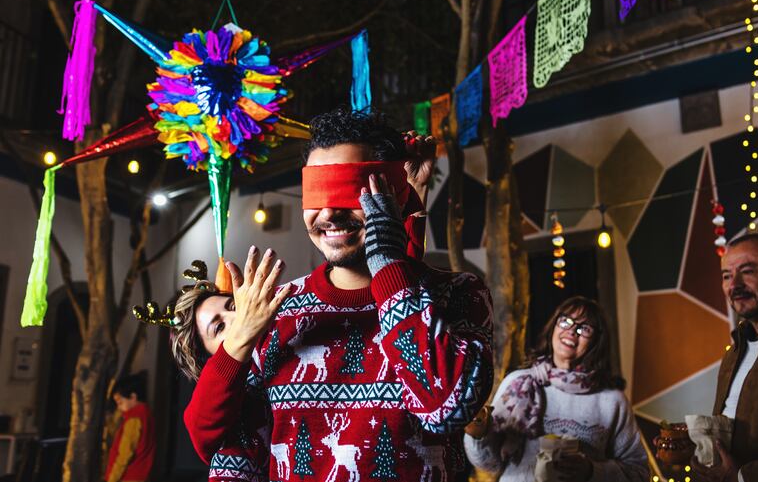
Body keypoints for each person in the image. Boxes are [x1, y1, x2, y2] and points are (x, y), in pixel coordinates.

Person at [171, 107, 494, 482]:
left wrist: (388, 257)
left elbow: (446, 407)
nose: (328, 212)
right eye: (316, 193)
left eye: (349, 191)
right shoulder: (275, 313)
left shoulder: (460, 295)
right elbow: (232, 456)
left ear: (393, 196)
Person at [464, 296, 648, 482]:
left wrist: (591, 471)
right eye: (565, 321)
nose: (571, 331)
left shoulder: (612, 400)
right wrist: (478, 434)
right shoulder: (518, 383)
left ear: (597, 340)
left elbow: (638, 473)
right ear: (554, 325)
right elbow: (488, 464)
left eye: (584, 328)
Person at [692, 233, 758, 482]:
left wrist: (740, 476)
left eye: (747, 271)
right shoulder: (736, 349)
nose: (734, 284)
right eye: (726, 276)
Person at [104, 374, 156, 482]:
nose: (119, 407)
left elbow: (124, 454)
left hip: (128, 477)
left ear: (133, 397)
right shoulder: (146, 414)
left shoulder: (134, 419)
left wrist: (112, 479)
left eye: (120, 402)